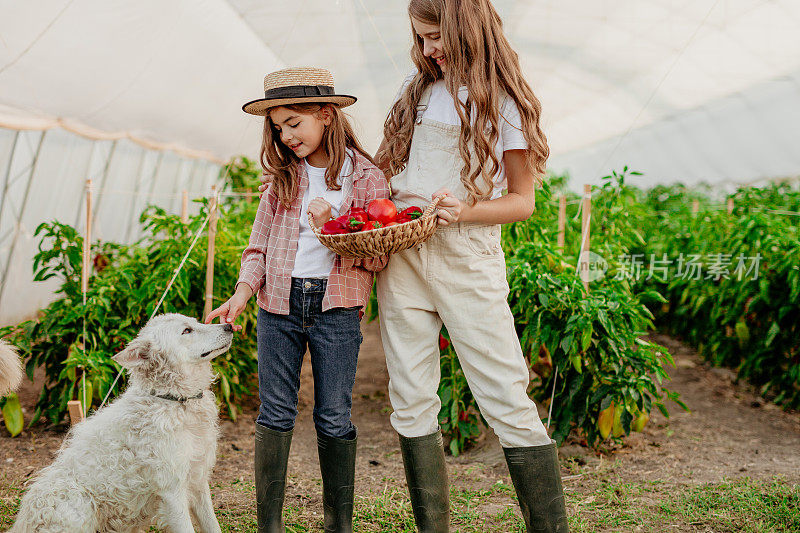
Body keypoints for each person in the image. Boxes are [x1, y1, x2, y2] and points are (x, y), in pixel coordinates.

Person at [373, 1, 569, 531]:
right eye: (421, 39)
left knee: (504, 392)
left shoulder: (501, 103)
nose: (428, 49)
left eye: (435, 36)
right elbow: (386, 176)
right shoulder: (418, 94)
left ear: (465, 30)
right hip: (404, 256)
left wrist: (466, 211)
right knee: (410, 396)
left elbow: (523, 201)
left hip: (468, 256)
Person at [207, 66, 389, 533]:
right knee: (275, 411)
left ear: (326, 115)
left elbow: (378, 255)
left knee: (332, 414)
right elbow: (258, 247)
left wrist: (334, 223)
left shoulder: (365, 177)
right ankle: (269, 524)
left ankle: (338, 525)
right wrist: (242, 294)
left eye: (294, 123)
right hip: (278, 307)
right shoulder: (280, 179)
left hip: (337, 309)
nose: (286, 136)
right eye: (278, 127)